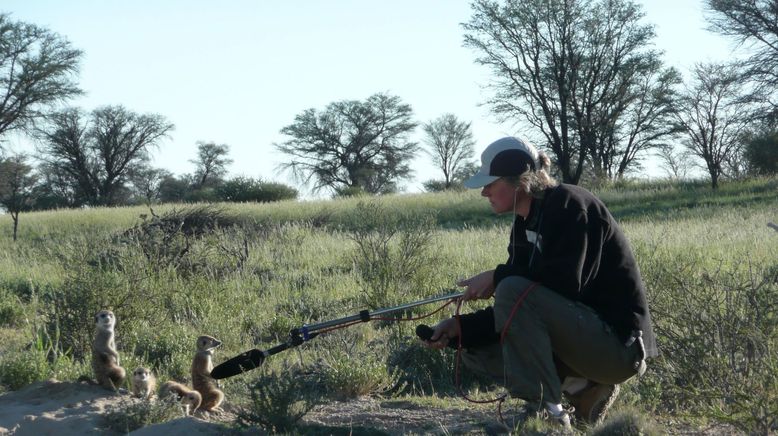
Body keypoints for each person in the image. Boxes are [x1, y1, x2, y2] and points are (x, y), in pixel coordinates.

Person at [422, 136, 657, 428]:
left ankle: (549, 414)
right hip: (582, 345)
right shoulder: (524, 222)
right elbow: (520, 307)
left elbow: (564, 284)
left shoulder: (570, 205)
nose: (484, 192)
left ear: (518, 181)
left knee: (510, 288)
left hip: (619, 350)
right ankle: (583, 391)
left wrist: (498, 277)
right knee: (472, 348)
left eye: (490, 184)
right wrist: (460, 328)